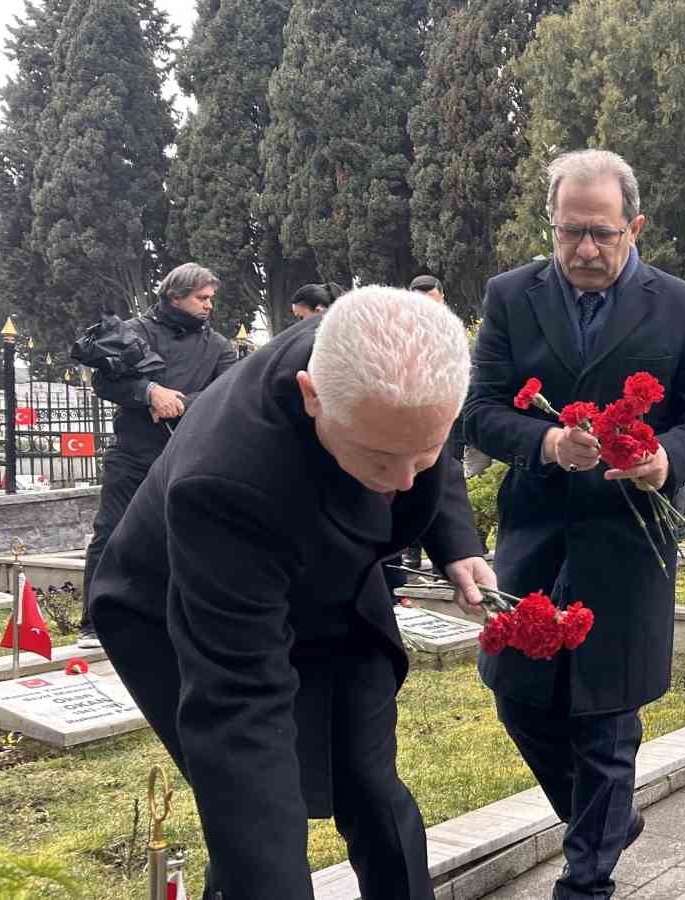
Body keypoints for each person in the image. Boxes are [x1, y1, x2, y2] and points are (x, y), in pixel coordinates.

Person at [90, 288, 491, 898]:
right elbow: (242, 713)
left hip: (334, 578)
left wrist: (456, 543)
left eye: (425, 454)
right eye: (382, 460)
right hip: (183, 603)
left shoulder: (389, 362)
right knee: (251, 801)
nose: (406, 483)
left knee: (369, 780)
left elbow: (413, 438)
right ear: (312, 396)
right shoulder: (221, 480)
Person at [463, 150, 685, 899]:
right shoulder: (511, 297)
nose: (585, 249)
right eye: (569, 232)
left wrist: (665, 459)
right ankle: (607, 820)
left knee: (608, 721)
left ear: (634, 226)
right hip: (535, 533)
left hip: (627, 537)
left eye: (602, 234)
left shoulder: (679, 305)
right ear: (550, 225)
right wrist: (546, 442)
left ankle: (588, 882)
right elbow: (480, 411)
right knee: (517, 696)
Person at [79, 263, 238, 649]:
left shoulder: (218, 345)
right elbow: (104, 380)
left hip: (189, 455)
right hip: (134, 452)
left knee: (186, 537)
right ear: (174, 296)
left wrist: (177, 402)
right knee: (111, 531)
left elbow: (230, 392)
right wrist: (149, 391)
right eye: (201, 298)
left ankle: (176, 617)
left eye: (211, 299)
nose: (208, 307)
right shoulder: (135, 331)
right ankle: (94, 624)